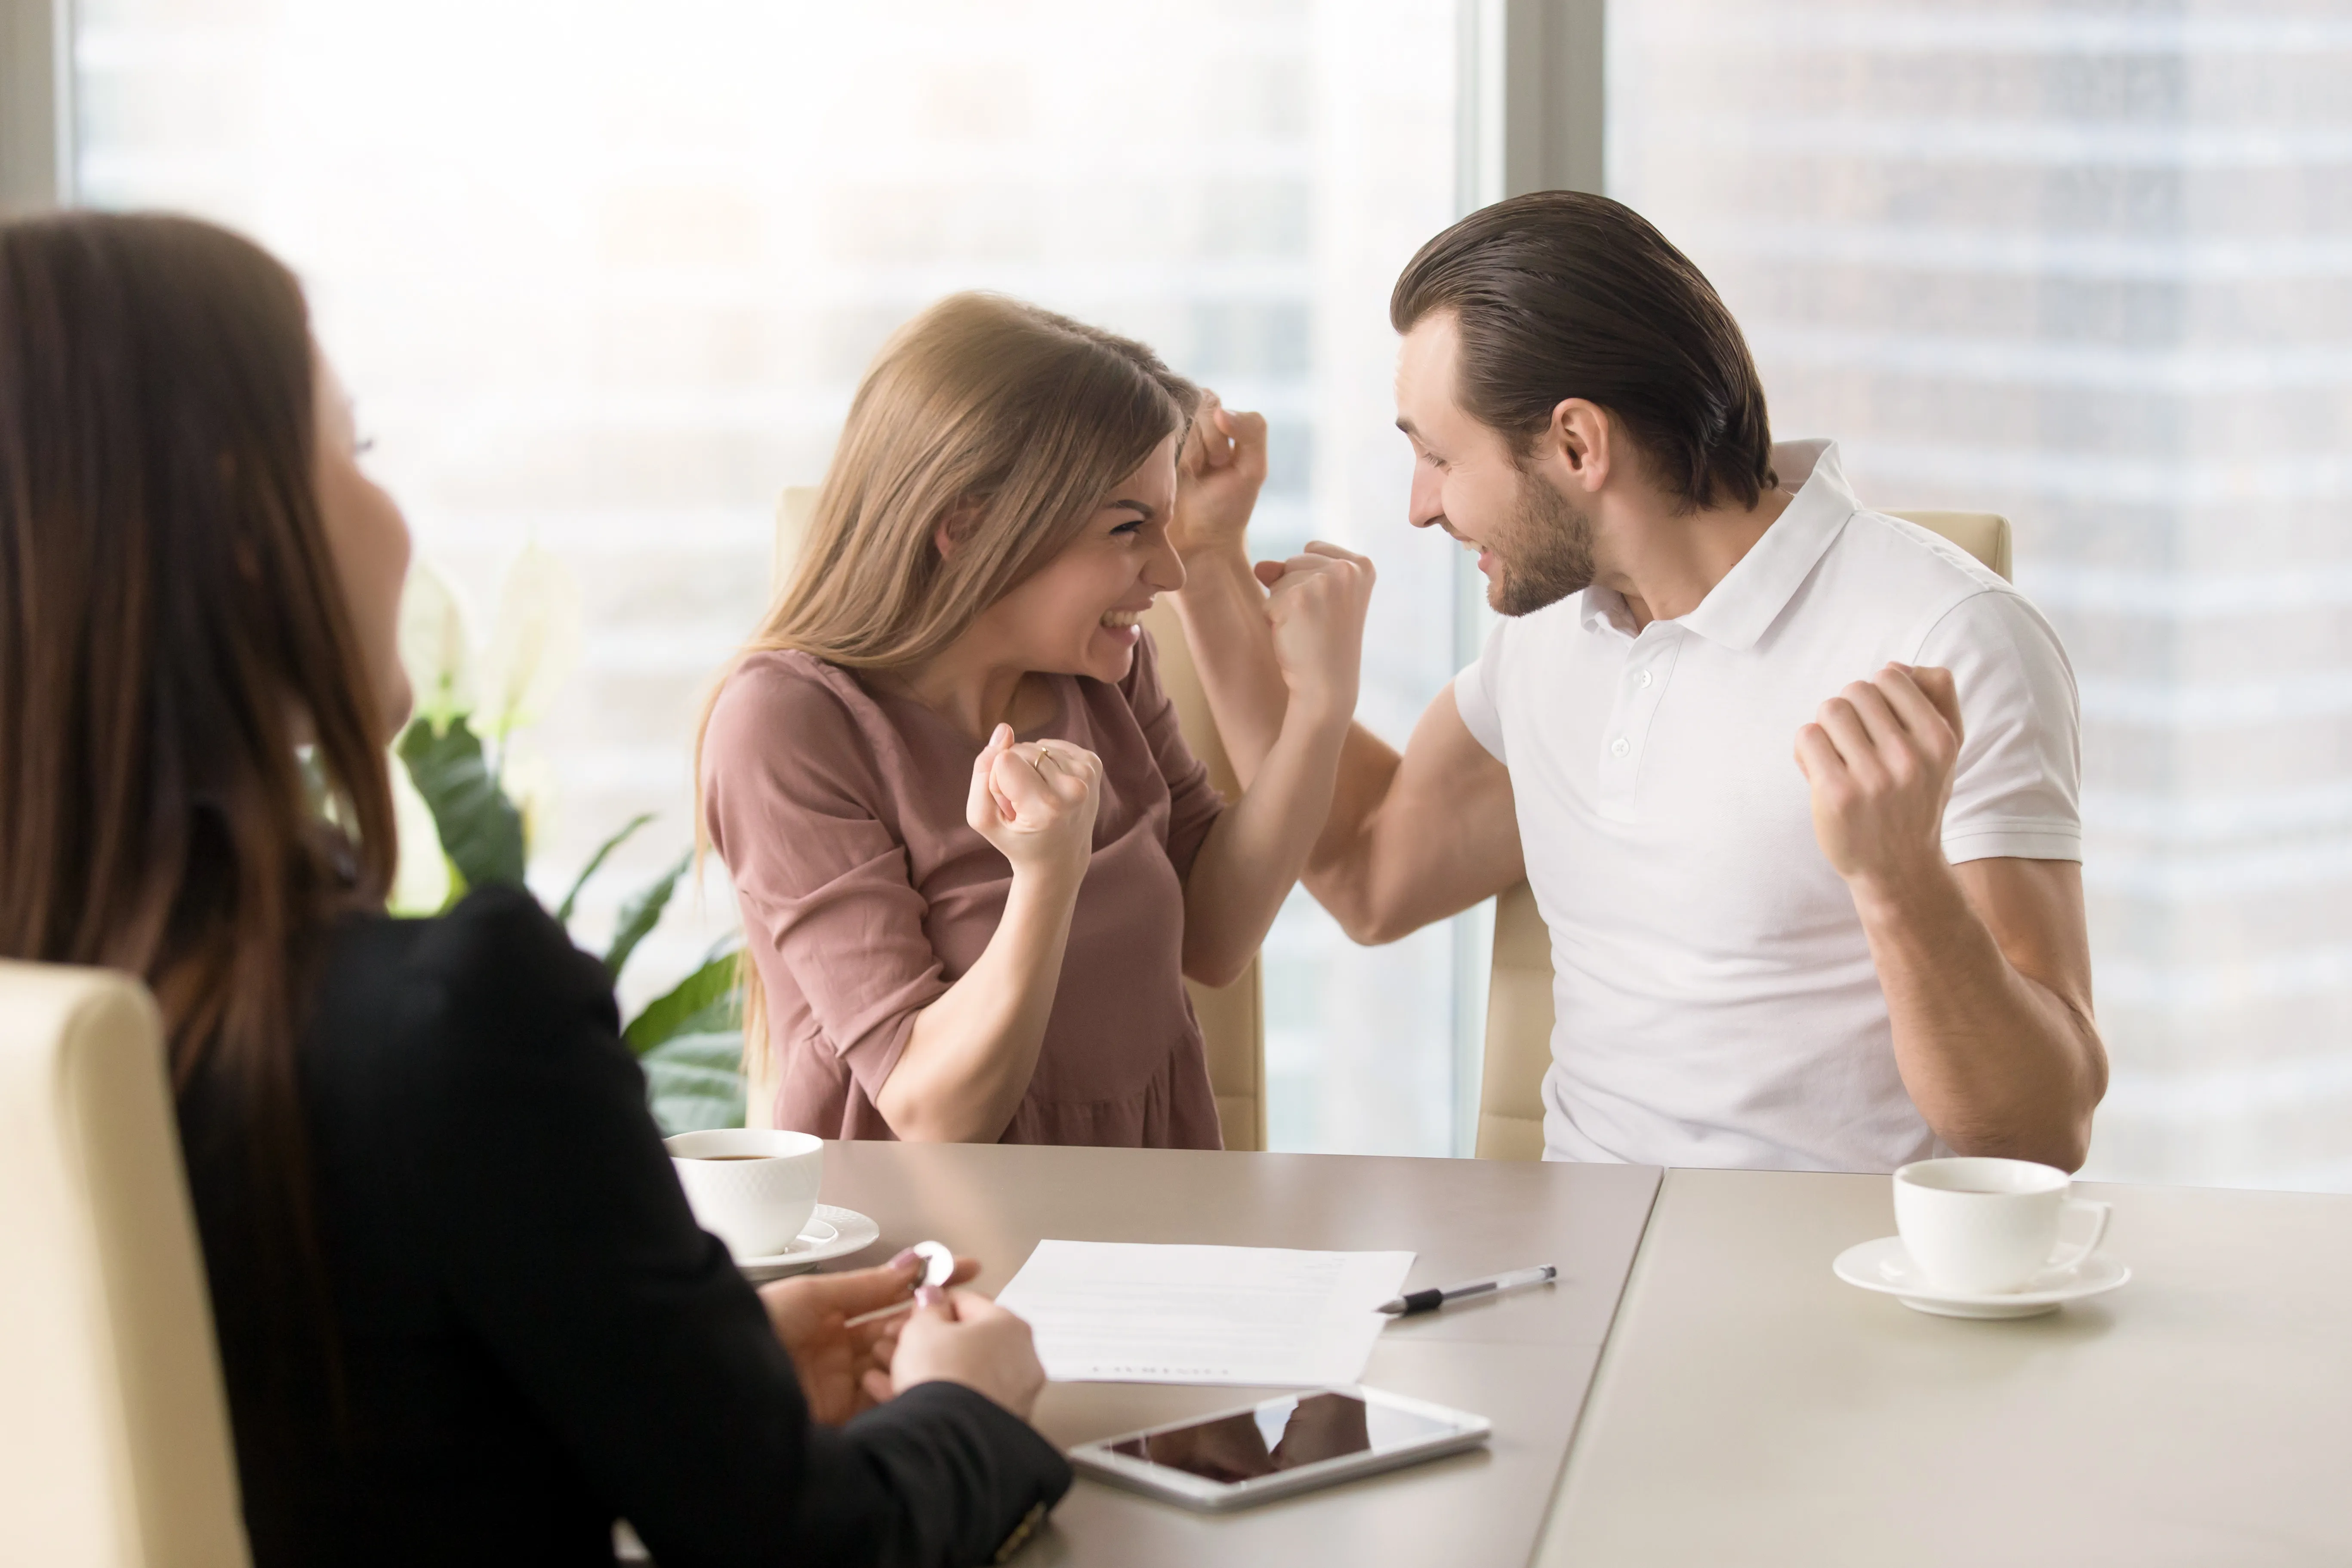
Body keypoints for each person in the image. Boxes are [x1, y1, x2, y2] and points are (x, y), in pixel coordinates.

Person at [0, 211, 1068, 1567]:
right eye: (355, 447)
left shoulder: (72, 1022)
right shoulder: (454, 1023)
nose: (393, 511)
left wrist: (701, 1374)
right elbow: (820, 1545)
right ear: (248, 529)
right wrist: (966, 1410)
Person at [1170, 191, 2107, 1174]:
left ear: (1579, 446)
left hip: (1831, 1290)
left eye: (1441, 457)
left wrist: (1899, 878)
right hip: (1571, 1272)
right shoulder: (1553, 630)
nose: (1420, 507)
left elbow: (2040, 1133)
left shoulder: (1949, 639)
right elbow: (1369, 868)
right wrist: (1205, 560)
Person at [699, 293, 1370, 1146]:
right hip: (933, 1253)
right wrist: (1048, 876)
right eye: (1130, 528)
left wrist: (1319, 711)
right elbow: (932, 1109)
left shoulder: (1102, 672)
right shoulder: (788, 724)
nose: (1168, 572)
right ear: (968, 527)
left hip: (1145, 1217)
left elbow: (1215, 936)